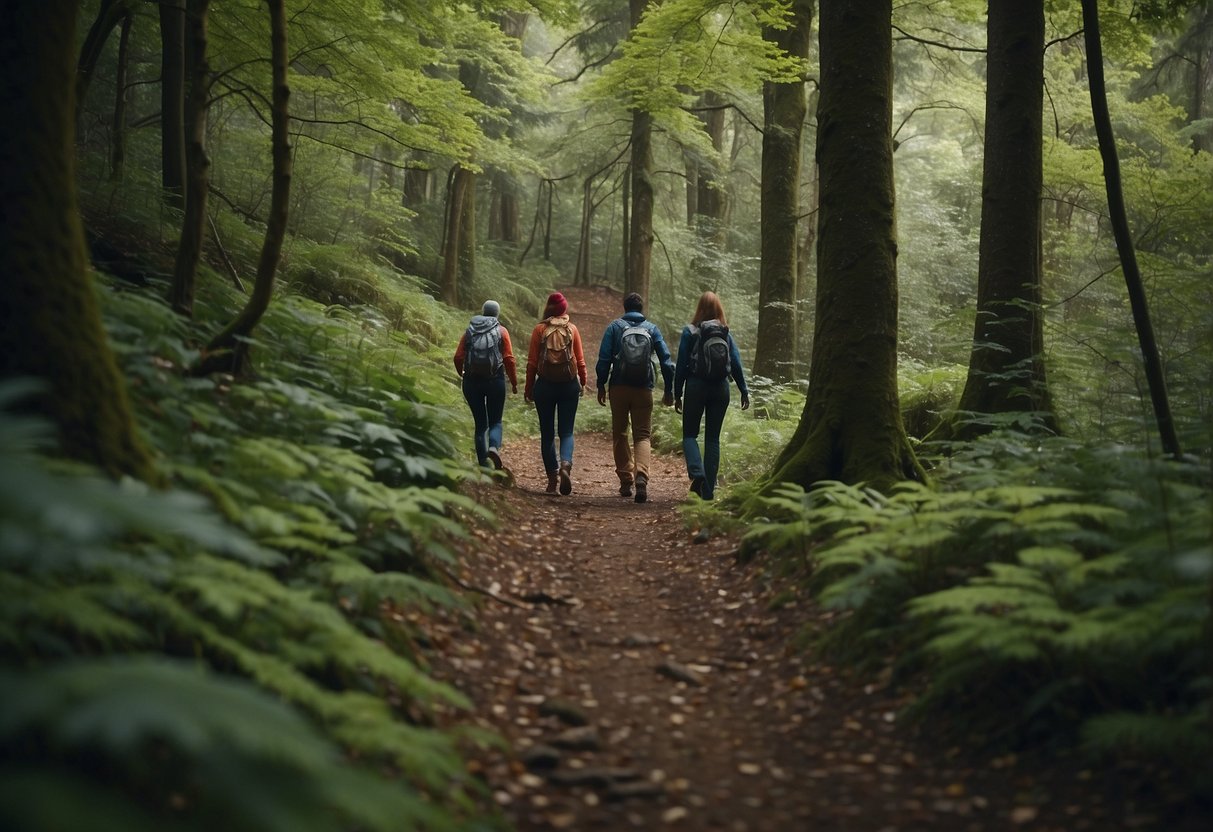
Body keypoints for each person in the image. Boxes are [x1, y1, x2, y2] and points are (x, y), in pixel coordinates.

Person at [596, 292, 675, 504]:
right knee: (642, 435)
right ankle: (641, 476)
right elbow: (667, 362)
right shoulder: (652, 329)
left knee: (620, 433)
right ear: (641, 308)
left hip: (619, 387)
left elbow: (603, 359)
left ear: (625, 307)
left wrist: (600, 385)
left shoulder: (614, 327)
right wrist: (669, 390)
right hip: (644, 388)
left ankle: (625, 479)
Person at [674, 291, 749, 500]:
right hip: (721, 388)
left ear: (699, 308)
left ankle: (697, 474)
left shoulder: (690, 331)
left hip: (696, 386)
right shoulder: (725, 332)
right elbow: (735, 362)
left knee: (690, 434)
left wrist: (677, 392)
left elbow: (681, 364)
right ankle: (708, 493)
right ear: (719, 309)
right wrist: (743, 390)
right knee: (713, 439)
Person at [525, 292, 588, 495]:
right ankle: (566, 465)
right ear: (564, 309)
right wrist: (583, 382)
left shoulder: (539, 330)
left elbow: (532, 363)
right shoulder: (572, 329)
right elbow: (580, 361)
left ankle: (552, 480)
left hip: (544, 386)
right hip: (568, 385)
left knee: (547, 434)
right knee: (567, 431)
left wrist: (528, 388)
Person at [454, 300, 518, 469]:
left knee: (480, 425)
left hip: (471, 382)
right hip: (495, 380)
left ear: (482, 312)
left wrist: (462, 373)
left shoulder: (470, 331)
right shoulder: (502, 331)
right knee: (496, 421)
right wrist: (513, 382)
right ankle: (493, 448)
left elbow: (458, 357)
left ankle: (484, 466)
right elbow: (509, 359)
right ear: (497, 314)